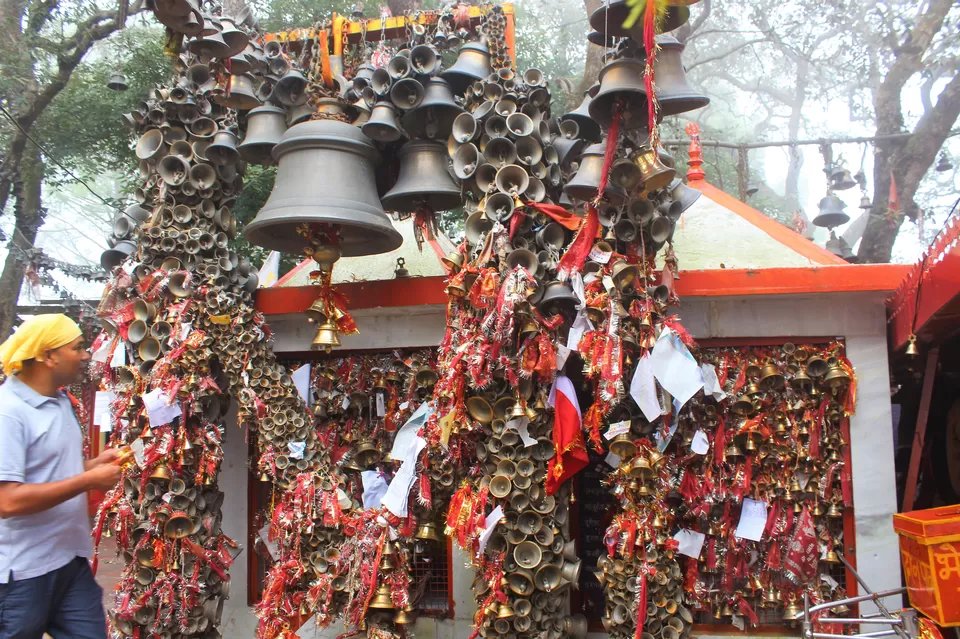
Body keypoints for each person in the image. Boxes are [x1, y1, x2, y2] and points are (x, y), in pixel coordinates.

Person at [0, 314, 122, 639]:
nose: (86, 354)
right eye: (78, 347)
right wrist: (87, 481)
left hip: (69, 563)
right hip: (22, 574)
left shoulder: (60, 403)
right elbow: (7, 501)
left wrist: (93, 465)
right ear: (48, 356)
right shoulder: (8, 413)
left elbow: (53, 472)